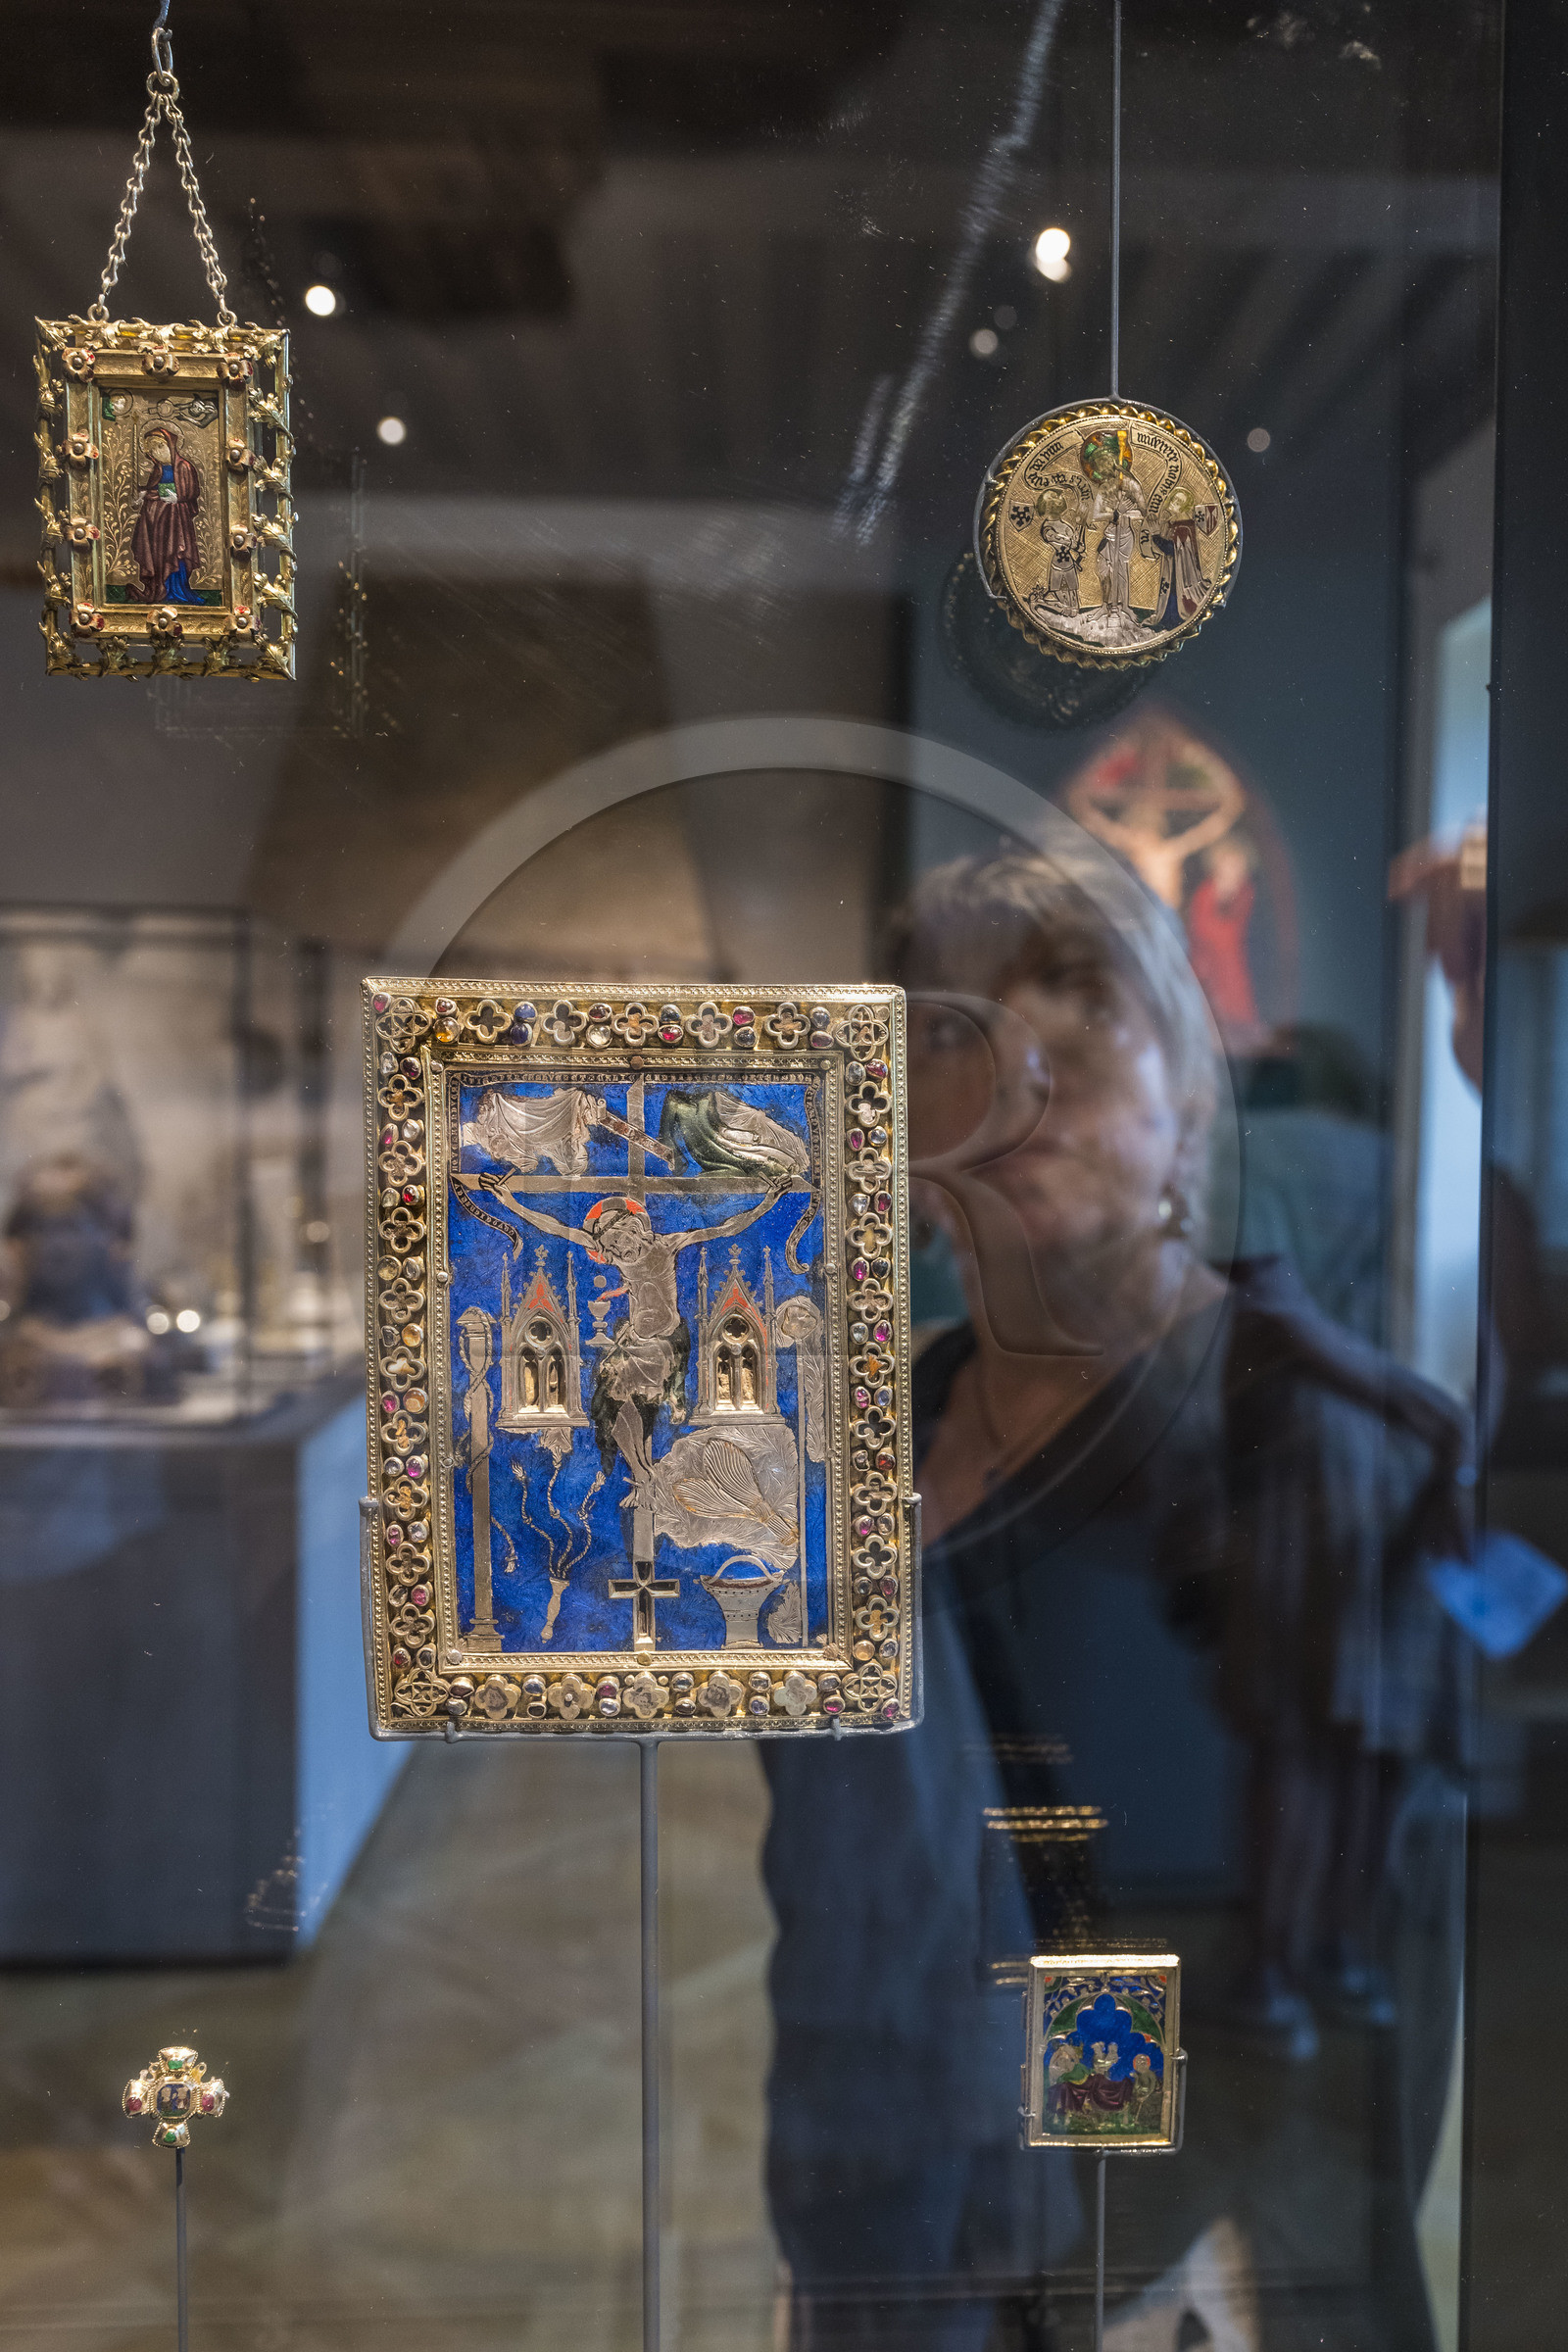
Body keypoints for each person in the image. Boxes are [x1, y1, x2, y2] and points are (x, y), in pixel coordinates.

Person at [760, 849, 1471, 2350]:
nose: (1018, 1068)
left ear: (1193, 1093)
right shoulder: (849, 1443)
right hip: (889, 2231)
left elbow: (1364, 2015)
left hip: (1162, 2256)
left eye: (1082, 1001)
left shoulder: (1322, 1449)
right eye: (950, 1028)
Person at [130, 423, 201, 605]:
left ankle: (178, 591)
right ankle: (159, 589)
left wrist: (178, 498)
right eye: (152, 449)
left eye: (160, 446)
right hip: (157, 520)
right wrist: (144, 494)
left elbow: (192, 492)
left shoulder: (184, 467)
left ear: (171, 445)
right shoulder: (158, 470)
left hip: (176, 519)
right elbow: (153, 488)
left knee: (176, 551)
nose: (156, 452)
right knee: (159, 553)